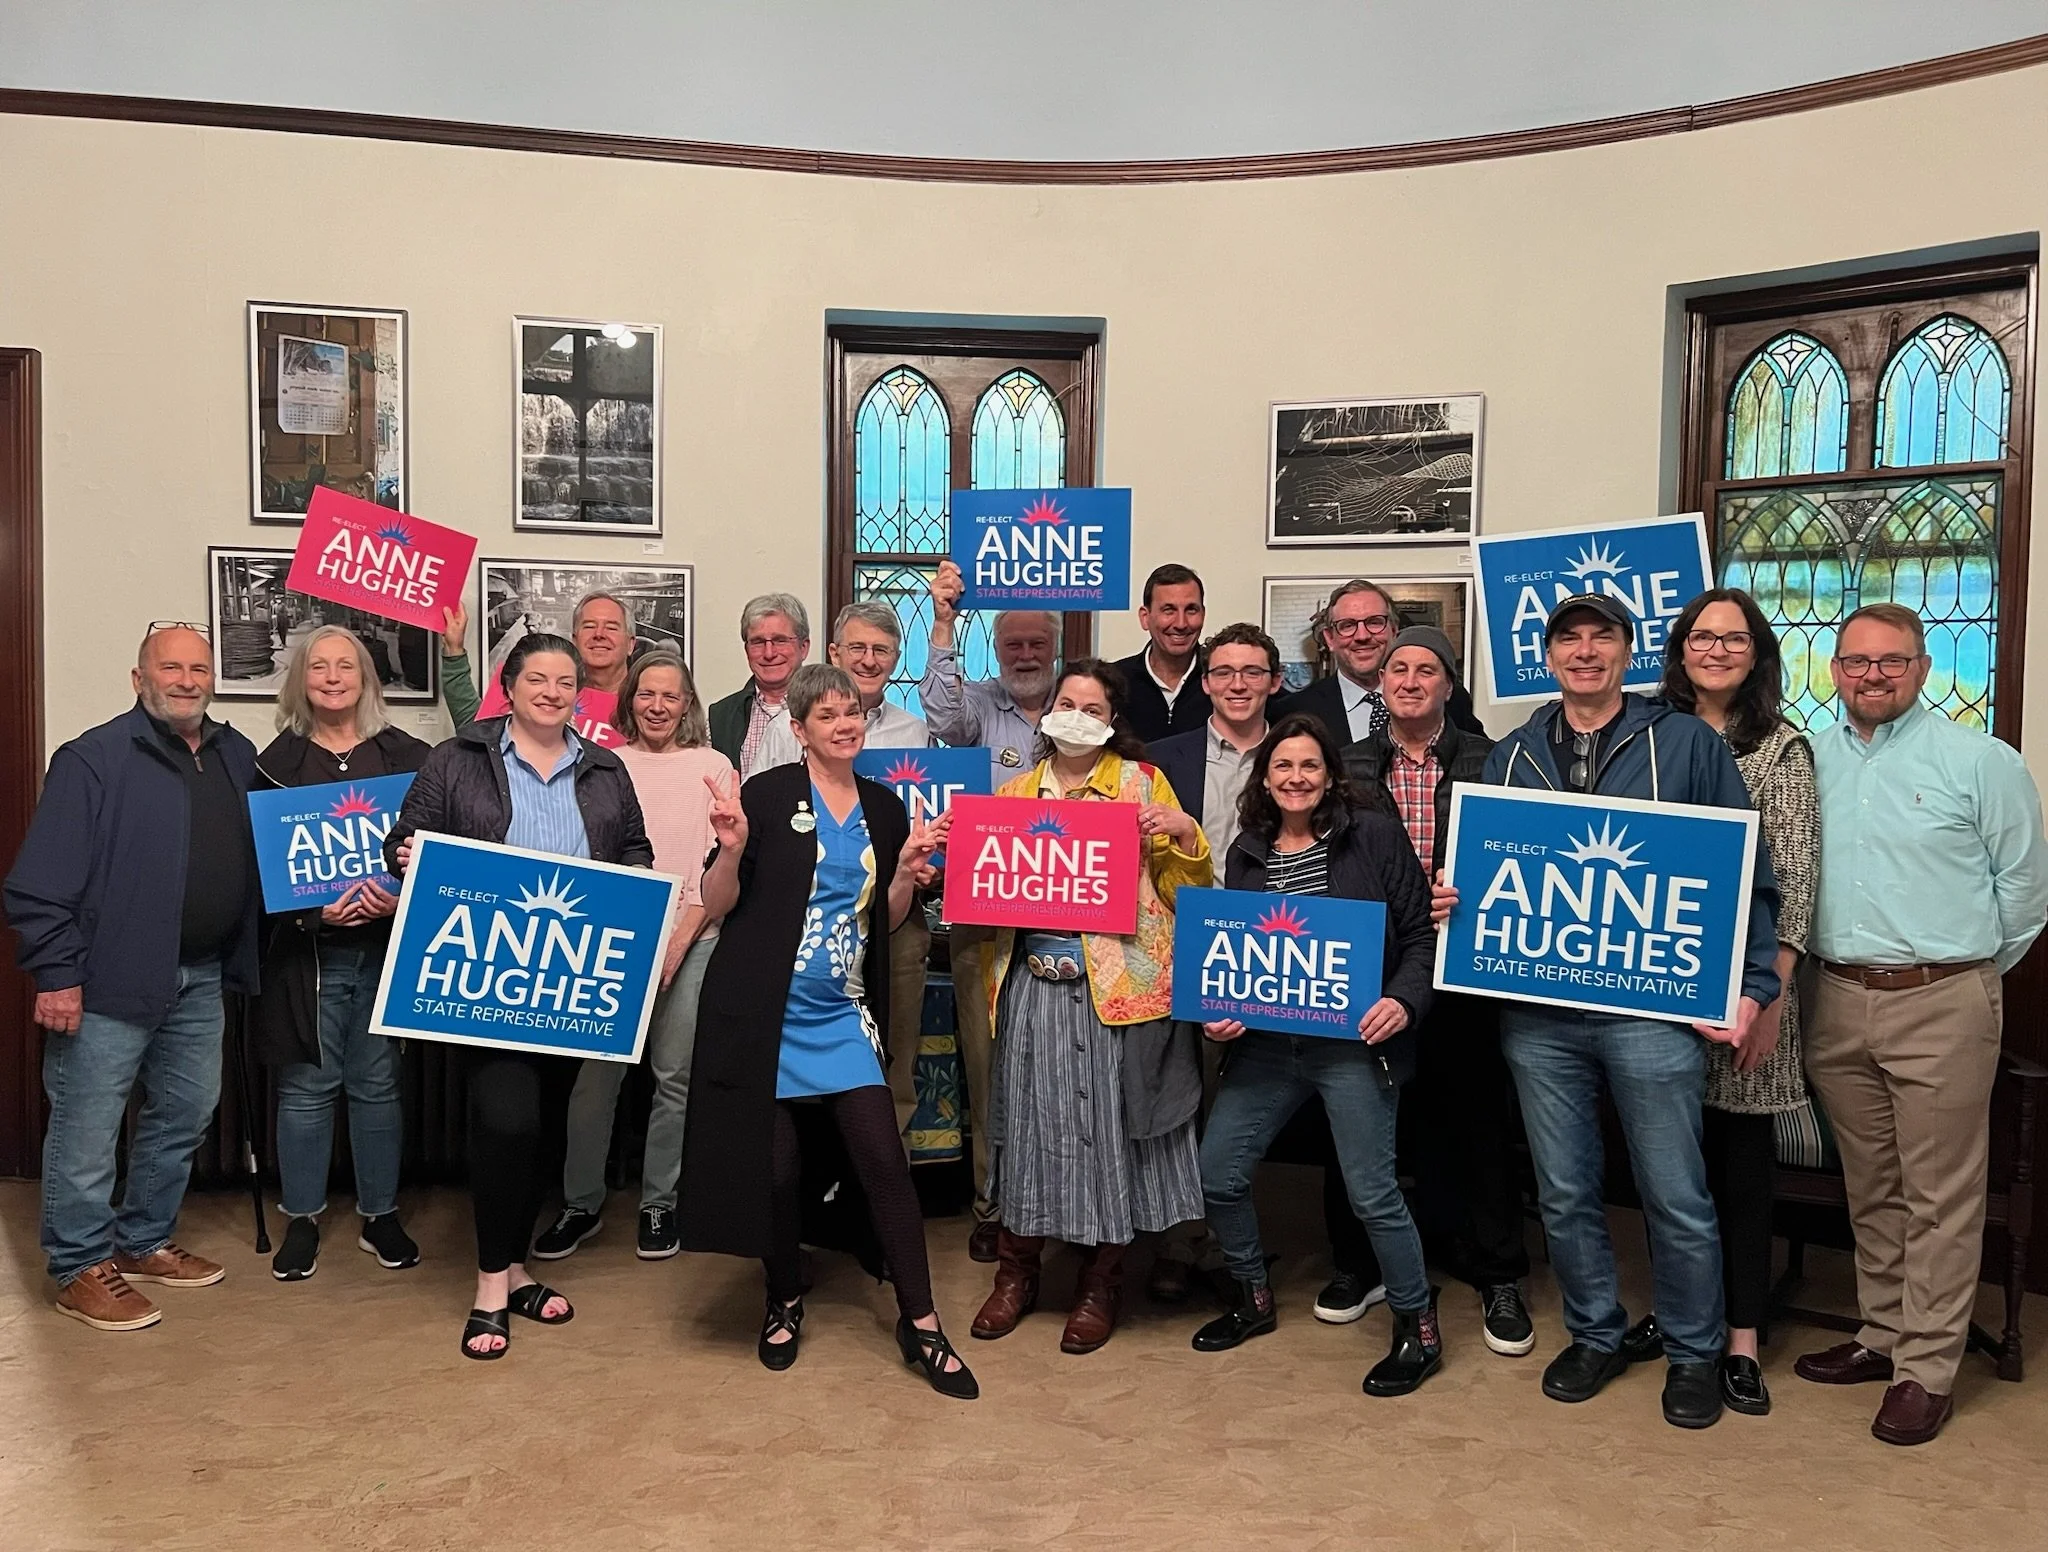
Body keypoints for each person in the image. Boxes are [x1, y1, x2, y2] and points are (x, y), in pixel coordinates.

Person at [1434, 593, 1781, 1430]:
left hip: (1651, 1013)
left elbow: (1747, 876)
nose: (1585, 652)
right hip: (1541, 1016)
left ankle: (1695, 1350)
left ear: (1628, 652)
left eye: (1603, 638)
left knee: (1675, 1190)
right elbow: (1485, 878)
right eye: (1569, 640)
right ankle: (1595, 1332)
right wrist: (1458, 903)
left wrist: (1753, 986)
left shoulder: (1688, 743)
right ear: (1546, 657)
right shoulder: (1509, 758)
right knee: (1563, 1189)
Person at [676, 664, 977, 1399]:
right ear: (800, 728)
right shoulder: (765, 796)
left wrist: (906, 870)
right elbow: (719, 902)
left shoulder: (884, 806)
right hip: (764, 1012)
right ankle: (782, 1298)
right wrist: (734, 847)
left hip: (841, 1014)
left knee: (883, 1160)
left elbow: (891, 919)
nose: (845, 724)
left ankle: (923, 1322)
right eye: (828, 714)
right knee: (775, 1171)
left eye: (854, 713)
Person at [1793, 603, 2047, 1446]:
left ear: (1921, 668)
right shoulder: (1810, 759)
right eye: (1858, 661)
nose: (1874, 675)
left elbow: (2024, 894)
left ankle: (1927, 1367)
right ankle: (1882, 1332)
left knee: (1942, 1194)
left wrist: (1960, 977)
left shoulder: (1981, 762)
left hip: (1943, 998)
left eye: (1892, 661)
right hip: (1833, 999)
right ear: (1835, 670)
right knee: (1873, 1184)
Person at [384, 632, 654, 1359]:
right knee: (504, 1120)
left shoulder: (604, 768)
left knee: (544, 1130)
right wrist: (407, 853)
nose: (553, 691)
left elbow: (635, 851)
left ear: (579, 693)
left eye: (566, 682)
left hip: (571, 980)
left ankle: (520, 1268)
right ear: (510, 684)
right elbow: (405, 839)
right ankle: (490, 1288)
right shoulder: (459, 756)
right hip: (489, 975)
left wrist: (638, 885)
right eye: (538, 678)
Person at [5, 623, 260, 1330]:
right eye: (170, 667)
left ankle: (143, 1240)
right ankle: (79, 1266)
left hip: (202, 975)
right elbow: (39, 883)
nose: (186, 680)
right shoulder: (93, 759)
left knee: (185, 1113)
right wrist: (56, 974)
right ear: (138, 678)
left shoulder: (237, 754)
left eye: (199, 668)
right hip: (107, 979)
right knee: (87, 1128)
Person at [1191, 713, 1445, 1396]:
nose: (1296, 778)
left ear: (1329, 775)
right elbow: (1237, 957)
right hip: (1272, 1049)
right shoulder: (1247, 850)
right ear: (1264, 779)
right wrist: (1223, 1013)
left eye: (1308, 766)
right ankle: (1253, 1296)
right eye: (1282, 768)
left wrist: (1403, 1001)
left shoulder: (1375, 838)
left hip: (1355, 1046)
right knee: (1218, 1173)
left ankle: (1417, 1325)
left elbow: (1420, 938)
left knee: (1373, 1193)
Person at [970, 659, 1210, 1354]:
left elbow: (1183, 887)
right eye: (1066, 702)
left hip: (1112, 993)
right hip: (1029, 988)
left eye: (1092, 707)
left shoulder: (1141, 787)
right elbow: (986, 893)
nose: (1077, 715)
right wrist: (952, 856)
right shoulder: (1015, 791)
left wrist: (1187, 837)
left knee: (1105, 1134)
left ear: (1111, 722)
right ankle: (1016, 1275)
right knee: (1027, 1128)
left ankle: (1101, 1282)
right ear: (1048, 712)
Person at [1639, 590, 1820, 1416]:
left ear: (1757, 653)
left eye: (1733, 638)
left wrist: (1770, 993)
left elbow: (1798, 880)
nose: (1716, 650)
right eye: (1700, 637)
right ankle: (1685, 1319)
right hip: (1653, 977)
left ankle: (1741, 1339)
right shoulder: (1645, 734)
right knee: (1669, 1166)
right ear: (1679, 649)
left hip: (1746, 986)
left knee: (1740, 1168)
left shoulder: (1782, 751)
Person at [1339, 625, 1533, 1357]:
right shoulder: (1348, 763)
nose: (1410, 680)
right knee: (1373, 1123)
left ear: (1450, 685)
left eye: (1427, 670)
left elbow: (1527, 854)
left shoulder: (1493, 760)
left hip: (1467, 971)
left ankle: (1497, 1273)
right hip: (1377, 971)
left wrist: (1473, 890)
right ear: (1380, 684)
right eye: (1398, 669)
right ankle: (1368, 1264)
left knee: (1478, 1121)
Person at [531, 649, 733, 1263]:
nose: (658, 706)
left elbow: (721, 861)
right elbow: (585, 855)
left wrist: (679, 939)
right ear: (630, 700)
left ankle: (659, 1203)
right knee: (595, 1078)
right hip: (612, 940)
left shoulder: (714, 765)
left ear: (687, 704)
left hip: (694, 935)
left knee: (675, 1077)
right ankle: (581, 1202)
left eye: (671, 695)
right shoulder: (602, 764)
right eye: (647, 694)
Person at [248, 625, 432, 1282]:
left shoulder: (409, 756)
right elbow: (260, 870)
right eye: (318, 666)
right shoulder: (273, 765)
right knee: (305, 1088)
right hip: (308, 956)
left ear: (365, 678)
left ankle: (380, 1215)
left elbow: (432, 853)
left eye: (345, 666)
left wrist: (396, 894)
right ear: (302, 679)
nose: (332, 676)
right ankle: (303, 1216)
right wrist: (311, 909)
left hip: (384, 947)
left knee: (378, 1087)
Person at [919, 564, 1062, 1255]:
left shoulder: (1081, 708)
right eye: (1014, 646)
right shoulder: (977, 706)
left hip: (1068, 922)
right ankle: (991, 1206)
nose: (1026, 655)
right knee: (988, 1066)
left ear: (1054, 647)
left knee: (1060, 1068)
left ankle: (1059, 1204)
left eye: (1037, 644)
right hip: (984, 918)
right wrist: (944, 621)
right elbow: (941, 717)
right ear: (997, 651)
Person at [1142, 621, 1279, 1303]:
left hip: (1271, 949)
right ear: (1205, 683)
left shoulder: (1298, 754)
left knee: (1242, 1100)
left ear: (1274, 682)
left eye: (1251, 672)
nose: (1237, 684)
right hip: (1181, 944)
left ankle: (1233, 1245)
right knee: (1182, 1094)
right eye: (1223, 672)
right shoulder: (1163, 759)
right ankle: (1177, 1241)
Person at [826, 602, 934, 1115]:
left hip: (894, 911)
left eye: (881, 651)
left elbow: (925, 818)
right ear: (834, 653)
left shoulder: (916, 733)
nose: (868, 660)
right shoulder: (793, 725)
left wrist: (927, 865)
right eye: (857, 648)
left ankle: (887, 1181)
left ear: (895, 658)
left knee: (895, 1054)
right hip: (817, 911)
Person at [1278, 579, 1481, 746]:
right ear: (1330, 639)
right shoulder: (1295, 711)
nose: (1362, 636)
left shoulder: (1449, 699)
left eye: (1374, 622)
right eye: (1347, 625)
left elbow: (1484, 767)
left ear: (1394, 630)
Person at [439, 592, 640, 728]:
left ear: (631, 644)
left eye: (612, 627)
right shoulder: (542, 693)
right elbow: (476, 732)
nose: (599, 634)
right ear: (574, 640)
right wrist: (454, 651)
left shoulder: (649, 705)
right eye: (588, 626)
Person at [707, 593, 812, 779]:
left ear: (803, 647)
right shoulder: (719, 717)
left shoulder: (828, 711)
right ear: (746, 650)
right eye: (758, 642)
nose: (769, 653)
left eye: (780, 640)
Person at [1113, 564, 1210, 742]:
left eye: (1191, 610)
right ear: (1145, 617)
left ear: (1203, 615)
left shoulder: (1224, 678)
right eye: (1168, 610)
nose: (1181, 624)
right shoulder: (1114, 681)